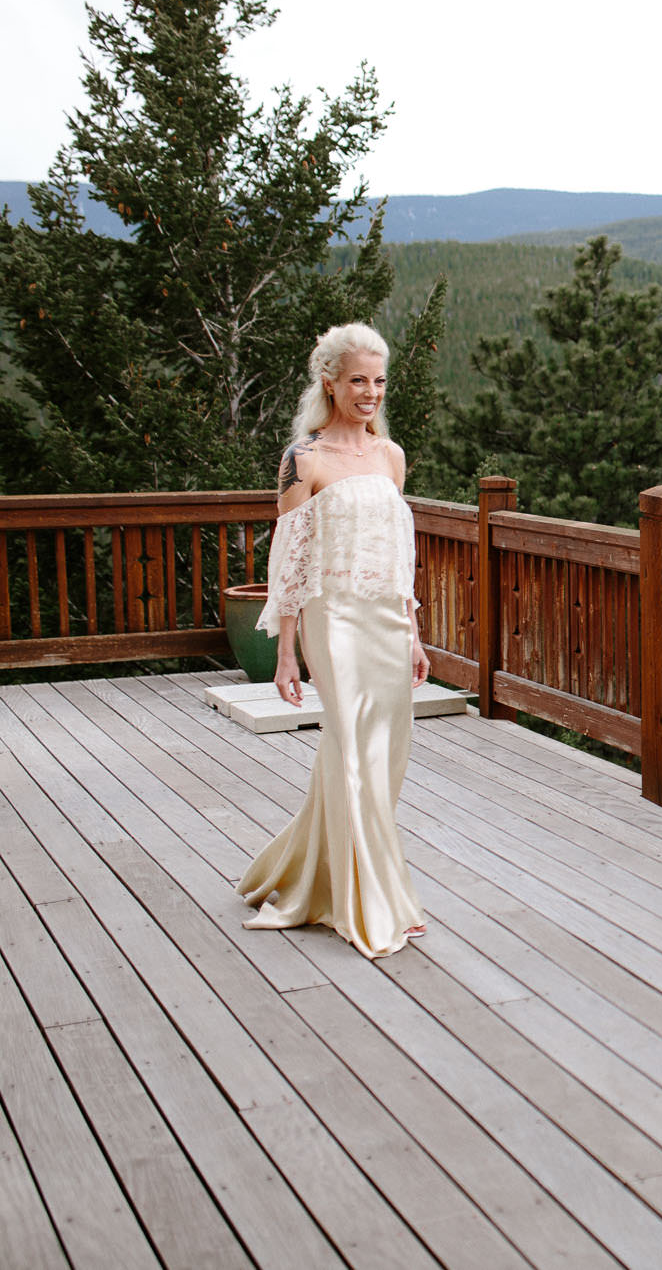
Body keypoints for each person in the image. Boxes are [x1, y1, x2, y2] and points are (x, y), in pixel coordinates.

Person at [236, 322, 429, 957]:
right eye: (358, 380)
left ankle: (300, 870)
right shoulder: (304, 458)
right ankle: (378, 898)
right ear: (330, 382)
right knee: (351, 751)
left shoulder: (391, 455)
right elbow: (288, 560)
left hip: (385, 620)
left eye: (378, 380)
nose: (370, 392)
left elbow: (400, 553)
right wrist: (285, 649)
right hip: (331, 619)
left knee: (385, 757)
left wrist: (416, 635)